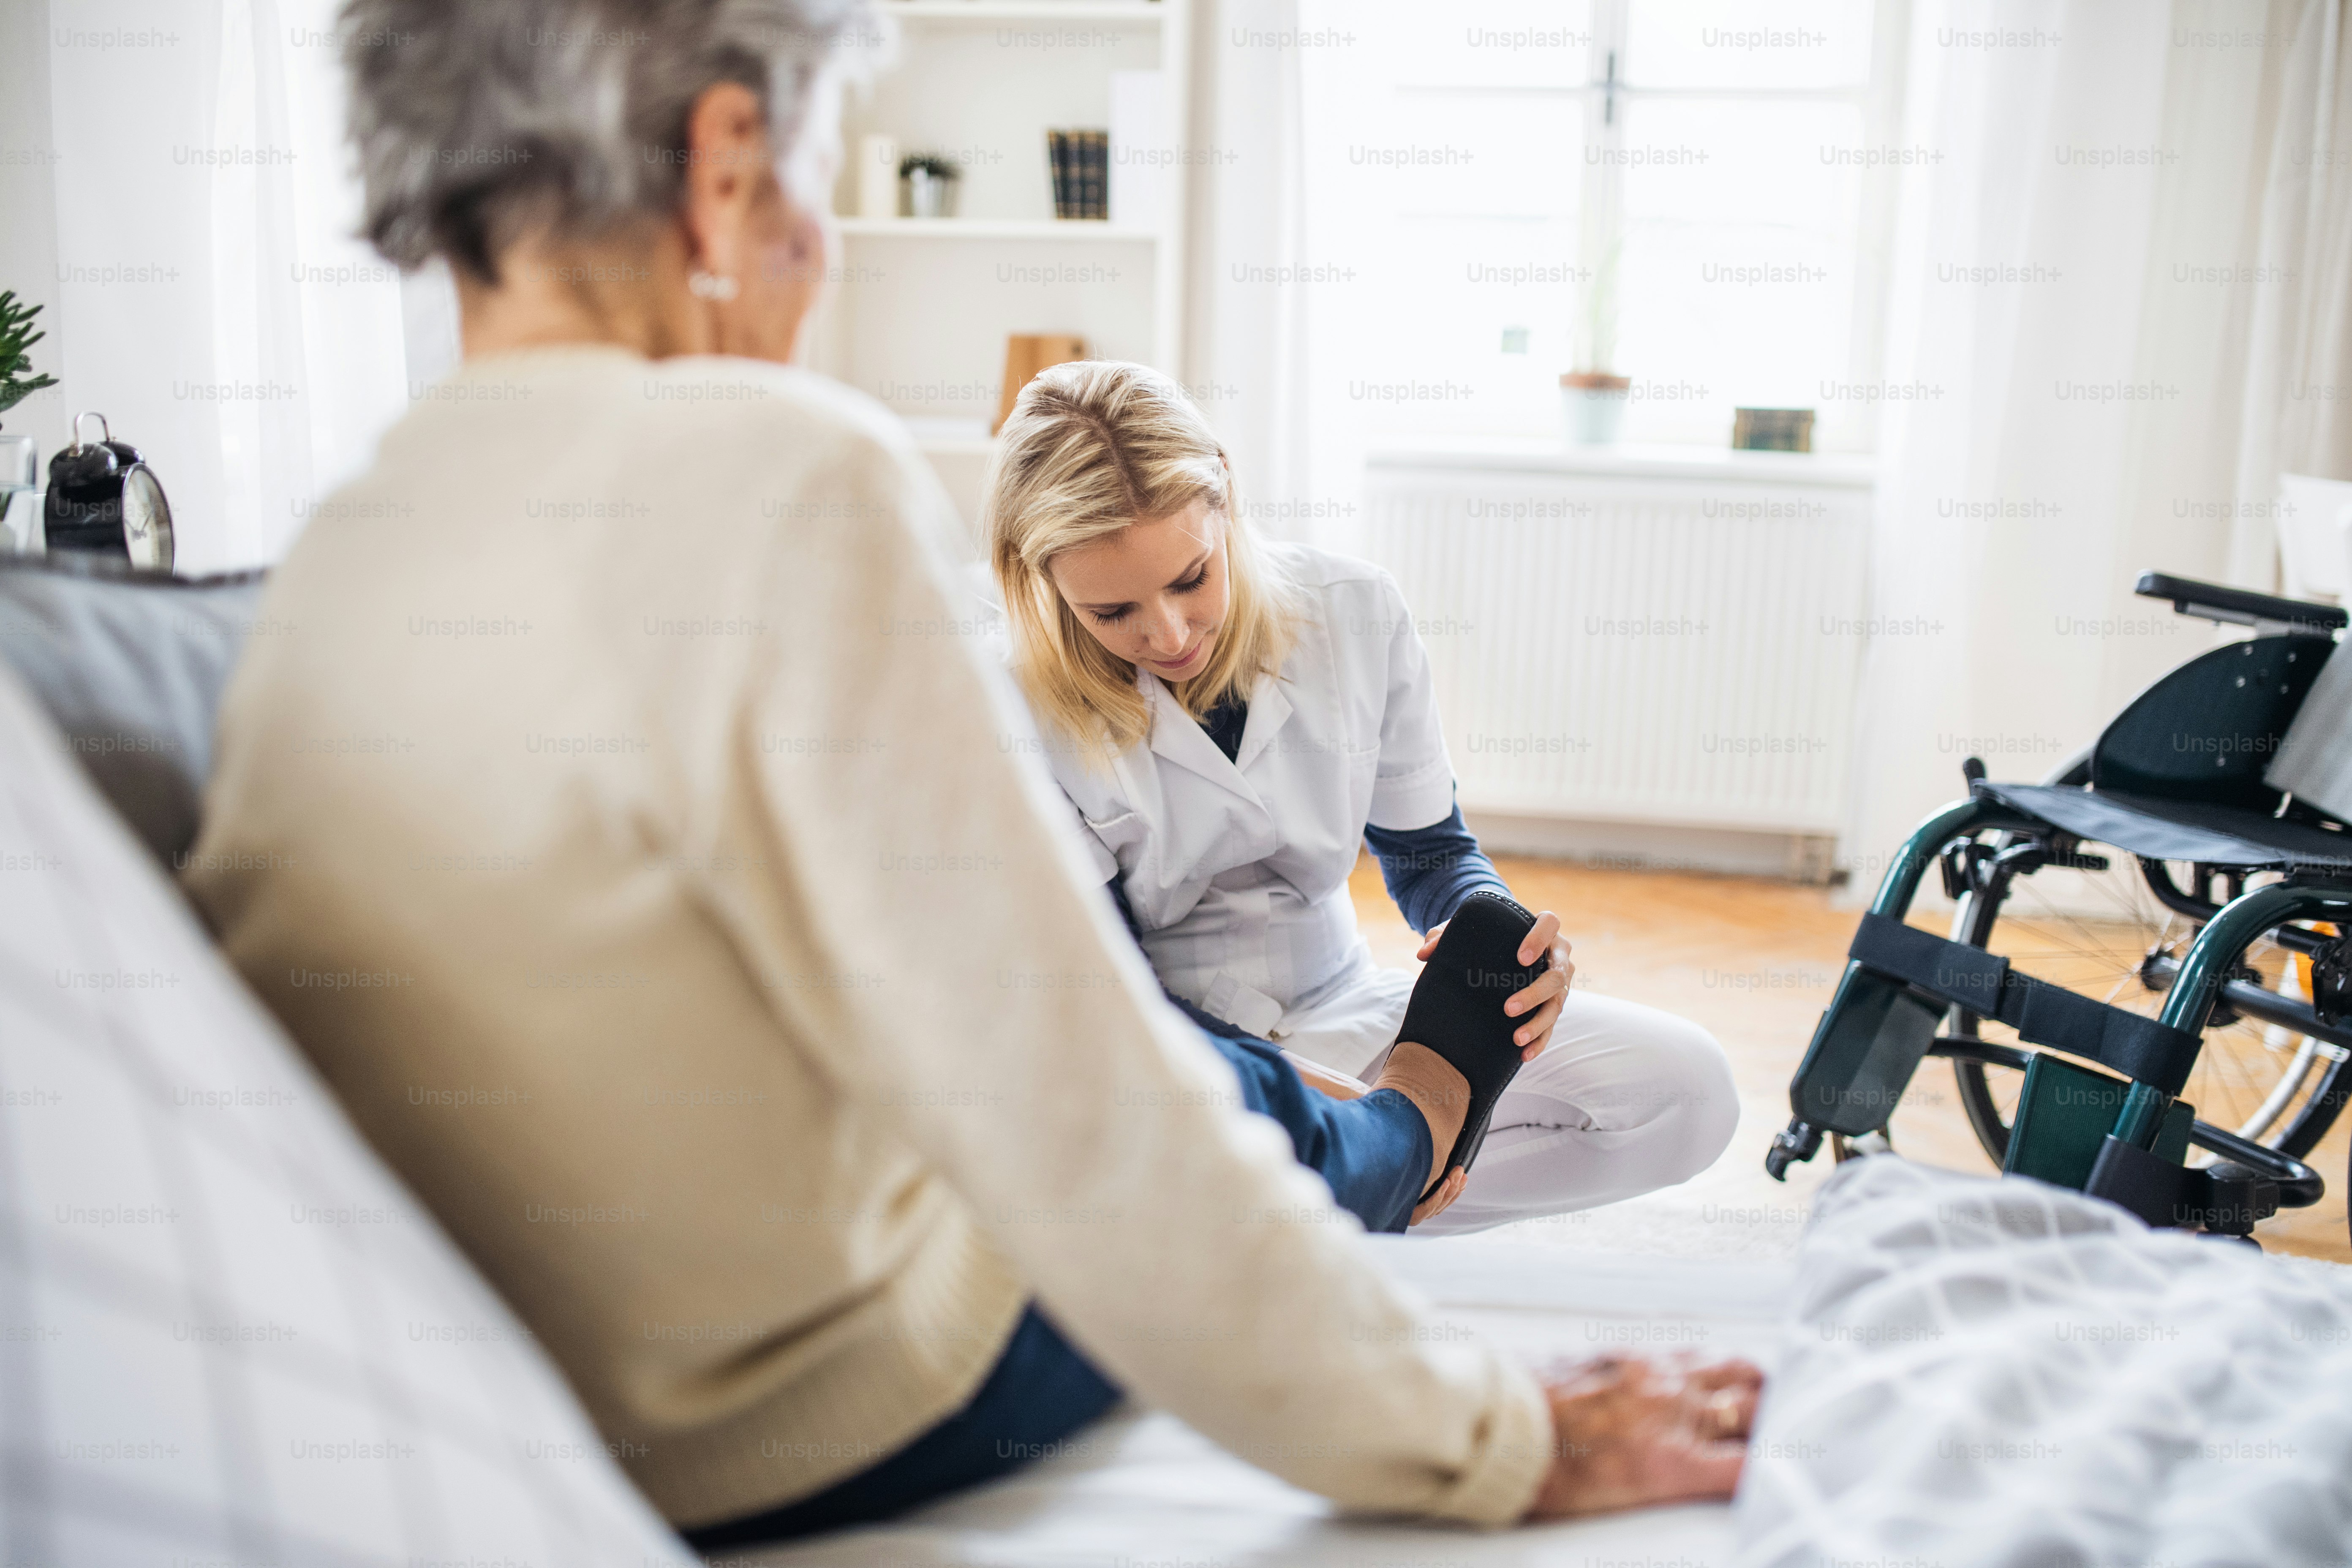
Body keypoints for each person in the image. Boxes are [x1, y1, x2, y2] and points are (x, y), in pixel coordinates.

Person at [184, 0, 1761, 1547]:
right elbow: (1084, 1109)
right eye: (815, 183)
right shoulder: (777, 467)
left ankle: (1390, 1132)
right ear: (728, 165)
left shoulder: (336, 551)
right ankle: (1407, 1139)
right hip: (844, 1407)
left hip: (546, 1400)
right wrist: (1496, 1433)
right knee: (1205, 1089)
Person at [982, 362, 1742, 1234]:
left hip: (1349, 1006)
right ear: (1040, 579)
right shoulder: (1008, 703)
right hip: (1168, 1055)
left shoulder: (1354, 610)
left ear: (1224, 497)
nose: (1169, 632)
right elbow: (1107, 989)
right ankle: (1349, 1195)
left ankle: (1347, 1208)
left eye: (1191, 578)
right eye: (1114, 611)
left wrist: (1494, 938)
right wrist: (1357, 1118)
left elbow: (1430, 855)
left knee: (1690, 1091)